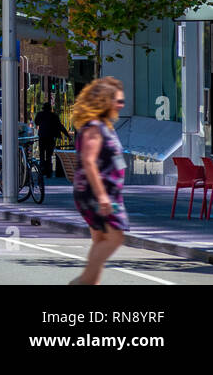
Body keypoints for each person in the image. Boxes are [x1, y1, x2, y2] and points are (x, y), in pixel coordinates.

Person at [68, 78, 128, 285]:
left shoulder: (104, 126)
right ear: (104, 101)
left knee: (101, 239)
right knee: (115, 237)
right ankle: (84, 281)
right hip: (97, 193)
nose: (121, 105)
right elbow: (89, 161)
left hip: (106, 192)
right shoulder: (94, 127)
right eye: (118, 101)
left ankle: (90, 282)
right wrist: (102, 195)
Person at [34, 101, 68, 177]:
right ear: (50, 108)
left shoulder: (40, 114)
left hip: (42, 137)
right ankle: (48, 171)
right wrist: (67, 135)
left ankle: (42, 170)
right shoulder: (54, 116)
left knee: (42, 154)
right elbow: (60, 126)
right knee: (49, 155)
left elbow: (36, 122)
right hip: (50, 137)